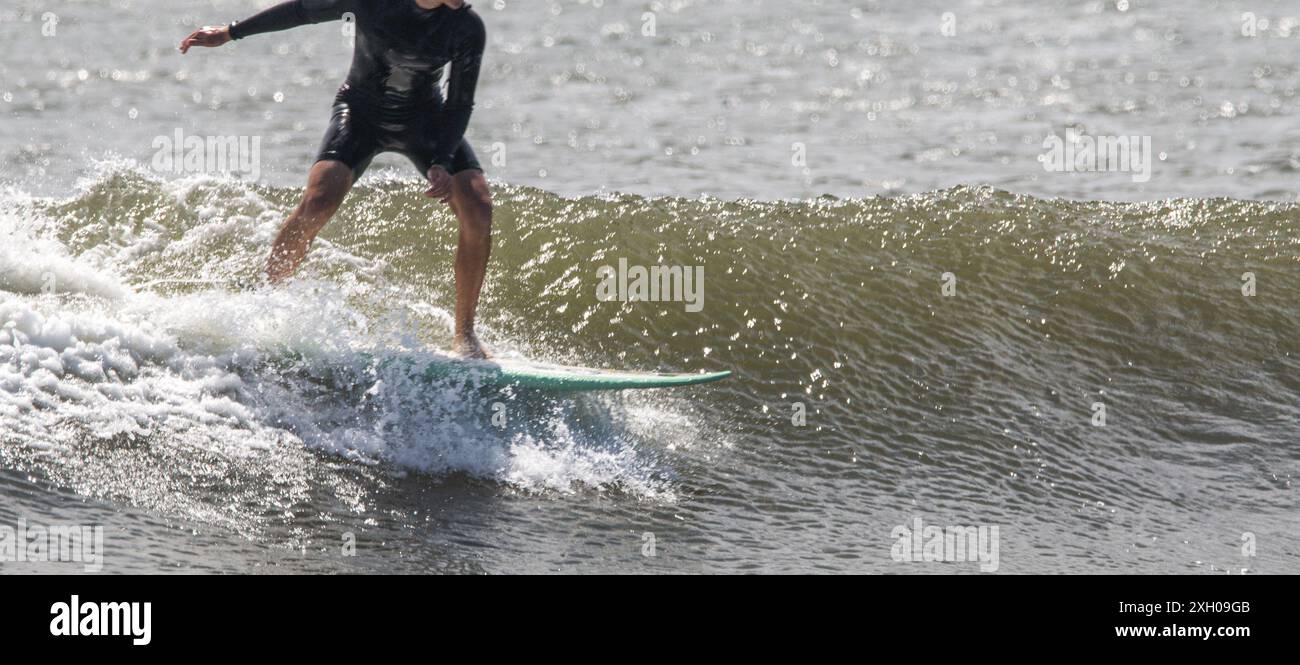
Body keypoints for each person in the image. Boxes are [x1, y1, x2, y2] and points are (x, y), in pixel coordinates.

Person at [180, 0, 493, 358]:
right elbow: (301, 11)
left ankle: (465, 334)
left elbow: (459, 104)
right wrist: (231, 31)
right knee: (318, 203)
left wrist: (442, 160)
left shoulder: (466, 26)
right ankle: (266, 304)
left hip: (426, 119)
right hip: (361, 113)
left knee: (478, 209)